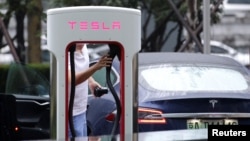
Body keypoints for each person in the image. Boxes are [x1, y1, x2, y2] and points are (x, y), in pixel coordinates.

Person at [67, 43, 112, 138]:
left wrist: (91, 82)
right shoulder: (65, 51)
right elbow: (72, 79)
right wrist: (96, 67)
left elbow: (82, 69)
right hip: (69, 113)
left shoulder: (84, 48)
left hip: (81, 109)